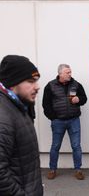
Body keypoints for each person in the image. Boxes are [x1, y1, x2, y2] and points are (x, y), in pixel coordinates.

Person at [0, 55, 43, 195]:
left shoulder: (20, 106)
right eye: (30, 81)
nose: (37, 87)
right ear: (12, 84)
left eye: (36, 81)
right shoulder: (3, 116)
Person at [43, 64, 87, 180]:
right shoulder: (50, 86)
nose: (70, 74)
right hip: (58, 121)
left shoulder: (76, 85)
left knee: (76, 146)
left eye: (70, 72)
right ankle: (52, 170)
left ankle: (78, 170)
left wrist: (79, 100)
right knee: (55, 146)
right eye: (67, 72)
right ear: (60, 73)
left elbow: (84, 98)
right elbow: (46, 104)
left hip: (74, 120)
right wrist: (53, 117)